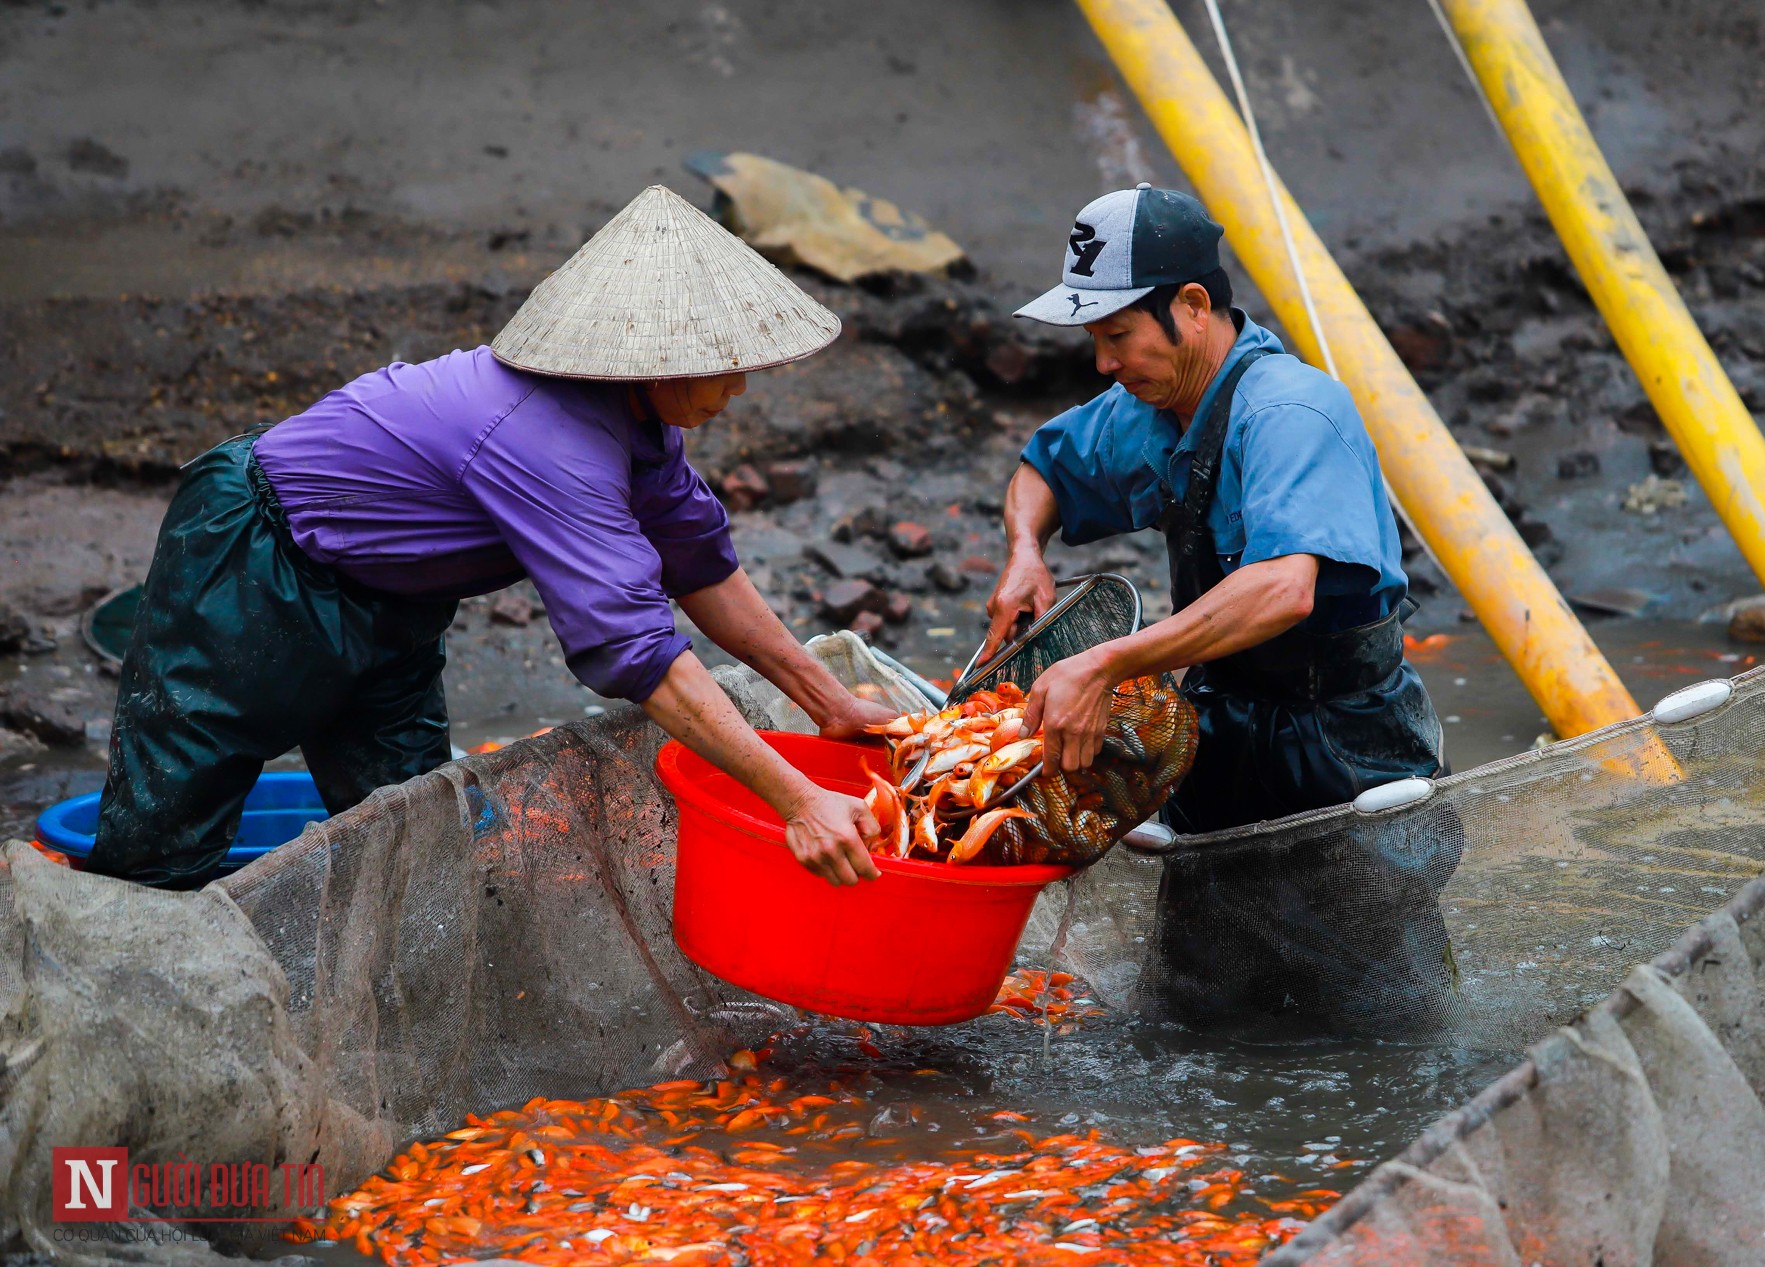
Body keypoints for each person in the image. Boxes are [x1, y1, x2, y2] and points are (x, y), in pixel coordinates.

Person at [92, 185, 892, 890]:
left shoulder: (639, 424)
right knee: (167, 831)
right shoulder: (552, 443)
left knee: (416, 841)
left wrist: (829, 702)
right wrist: (797, 799)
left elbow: (702, 569)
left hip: (391, 600)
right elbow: (640, 654)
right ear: (658, 360)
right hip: (254, 558)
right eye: (723, 366)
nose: (738, 387)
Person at [987, 185, 1456, 1030]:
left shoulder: (1291, 411)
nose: (1103, 364)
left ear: (1192, 307)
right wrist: (1027, 550)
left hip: (1344, 749)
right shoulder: (1155, 408)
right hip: (1224, 735)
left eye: (1117, 335)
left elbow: (1285, 586)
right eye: (1095, 341)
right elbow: (1042, 470)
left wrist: (1107, 661)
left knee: (1379, 1026)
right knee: (1195, 1015)